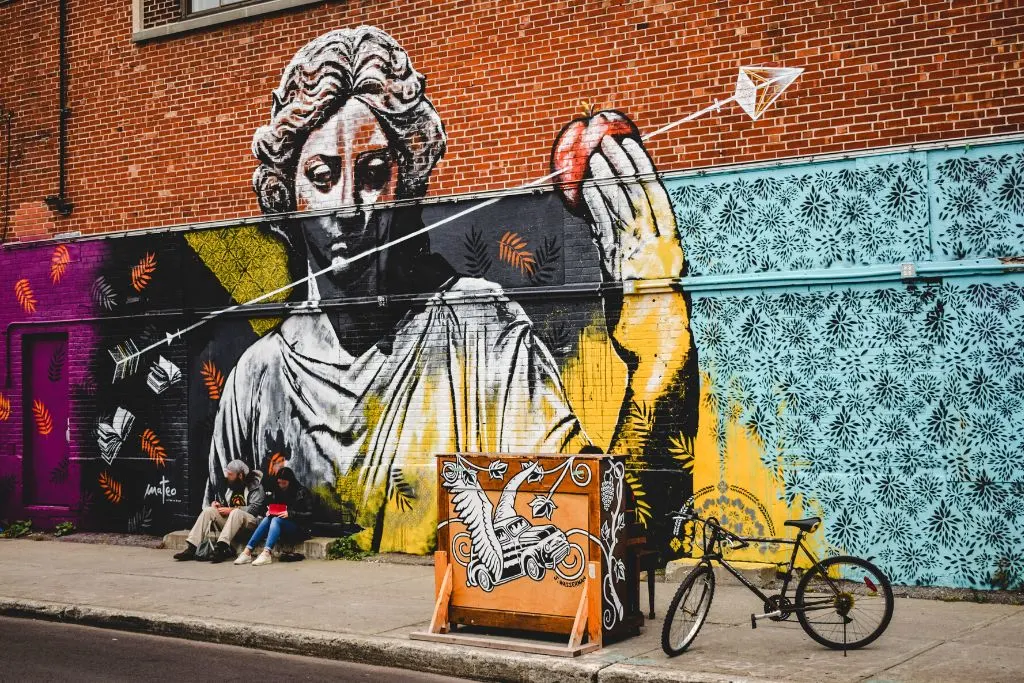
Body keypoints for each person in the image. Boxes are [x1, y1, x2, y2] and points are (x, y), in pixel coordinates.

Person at [203, 25, 694, 554]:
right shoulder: (258, 378)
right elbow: (220, 520)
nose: (348, 205)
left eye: (372, 173)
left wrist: (658, 356)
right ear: (285, 195)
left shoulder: (480, 331)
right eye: (322, 176)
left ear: (408, 183)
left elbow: (588, 530)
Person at [175, 459, 266, 563]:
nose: (227, 476)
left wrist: (231, 510)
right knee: (209, 510)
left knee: (236, 513)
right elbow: (229, 507)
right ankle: (191, 548)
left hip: (251, 524)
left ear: (240, 475)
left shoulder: (256, 488)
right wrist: (220, 506)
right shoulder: (231, 486)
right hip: (233, 523)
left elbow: (253, 510)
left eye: (231, 474)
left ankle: (221, 549)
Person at [235, 467, 313, 566]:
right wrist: (269, 511)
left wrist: (291, 514)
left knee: (276, 520)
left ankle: (266, 553)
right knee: (268, 518)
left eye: (284, 483)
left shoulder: (302, 492)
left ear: (290, 481)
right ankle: (247, 551)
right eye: (279, 483)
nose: (281, 486)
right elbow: (270, 505)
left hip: (299, 528)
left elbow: (310, 515)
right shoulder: (278, 490)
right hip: (282, 526)